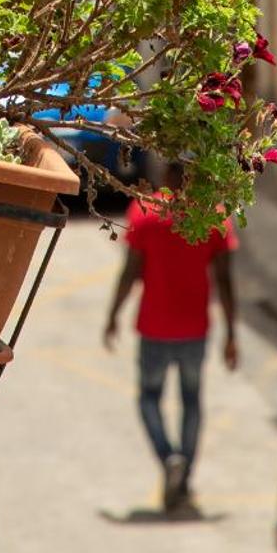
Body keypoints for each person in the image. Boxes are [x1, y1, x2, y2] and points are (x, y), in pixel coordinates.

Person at [103, 188, 239, 511]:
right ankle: (184, 478)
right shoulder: (214, 213)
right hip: (195, 329)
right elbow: (225, 280)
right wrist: (232, 334)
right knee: (191, 402)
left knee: (149, 398)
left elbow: (130, 271)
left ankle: (169, 459)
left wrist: (112, 315)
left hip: (154, 328)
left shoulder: (146, 209)